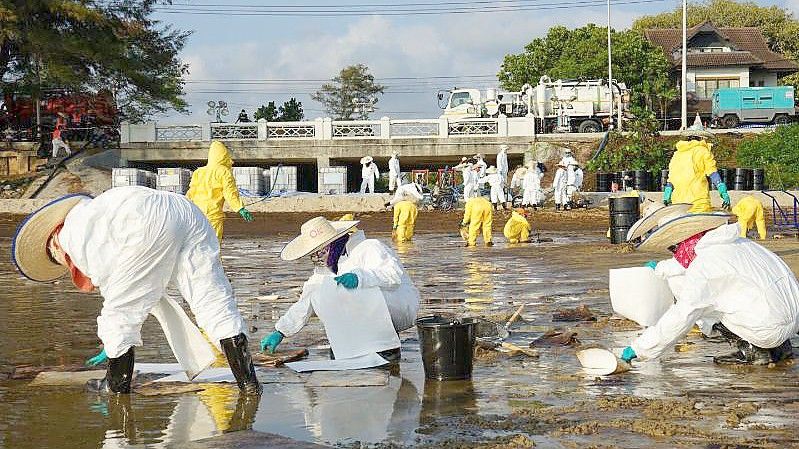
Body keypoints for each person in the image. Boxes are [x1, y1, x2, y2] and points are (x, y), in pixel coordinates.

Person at [11, 187, 262, 394]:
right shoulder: (98, 210)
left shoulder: (69, 233)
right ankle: (249, 384)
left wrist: (113, 342)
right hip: (187, 212)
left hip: (146, 219)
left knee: (119, 314)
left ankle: (116, 385)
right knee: (213, 301)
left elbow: (116, 290)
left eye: (58, 261)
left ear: (53, 243)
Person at [620, 212, 798, 366]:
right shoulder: (740, 244)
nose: (674, 254)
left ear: (684, 243)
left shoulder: (704, 266)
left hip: (767, 330)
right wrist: (660, 268)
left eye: (674, 249)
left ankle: (752, 350)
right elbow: (689, 265)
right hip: (792, 321)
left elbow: (681, 316)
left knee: (703, 308)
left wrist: (640, 348)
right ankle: (781, 348)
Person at [260, 217, 420, 363]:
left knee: (352, 291)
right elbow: (307, 301)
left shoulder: (368, 247)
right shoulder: (325, 269)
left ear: (335, 242)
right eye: (314, 255)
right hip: (367, 316)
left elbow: (393, 275)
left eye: (321, 251)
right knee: (320, 293)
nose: (319, 258)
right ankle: (352, 343)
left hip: (398, 305)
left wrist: (360, 277)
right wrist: (280, 331)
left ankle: (386, 347)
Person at [186, 141, 254, 242]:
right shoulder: (224, 172)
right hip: (213, 215)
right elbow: (230, 193)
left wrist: (184, 206)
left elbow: (191, 192)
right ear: (224, 155)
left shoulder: (199, 172)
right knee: (213, 244)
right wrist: (240, 208)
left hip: (195, 213)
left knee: (197, 243)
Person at [663, 125, 730, 213]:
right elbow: (713, 174)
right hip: (698, 203)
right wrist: (723, 192)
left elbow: (671, 179)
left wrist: (667, 195)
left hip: (678, 205)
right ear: (702, 138)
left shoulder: (677, 154)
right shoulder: (703, 151)